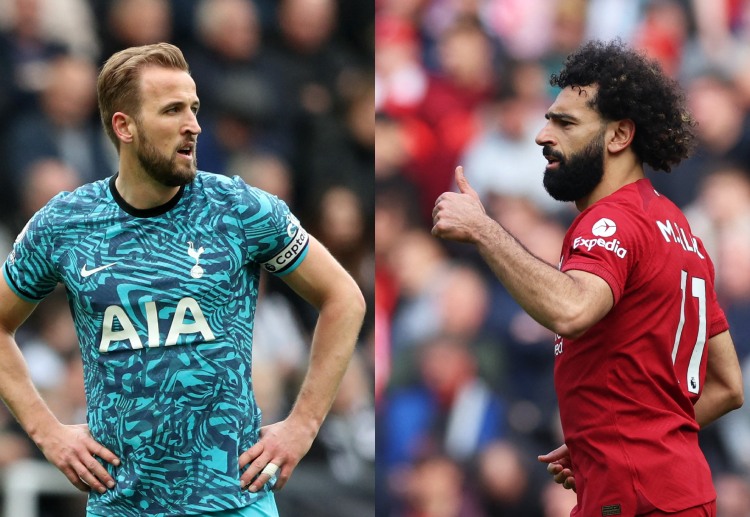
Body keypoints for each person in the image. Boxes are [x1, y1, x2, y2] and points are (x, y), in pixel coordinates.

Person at [0, 42, 366, 517]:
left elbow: (344, 297)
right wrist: (46, 431)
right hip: (122, 506)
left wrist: (303, 424)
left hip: (234, 502)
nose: (192, 124)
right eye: (172, 110)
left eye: (194, 108)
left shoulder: (240, 209)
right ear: (123, 126)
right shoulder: (65, 224)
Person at [432, 39, 744, 516]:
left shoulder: (612, 222)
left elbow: (572, 309)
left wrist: (484, 230)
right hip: (677, 490)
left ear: (619, 136)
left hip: (634, 496)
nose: (542, 135)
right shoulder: (678, 228)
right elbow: (727, 386)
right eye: (547, 118)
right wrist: (609, 440)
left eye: (564, 122)